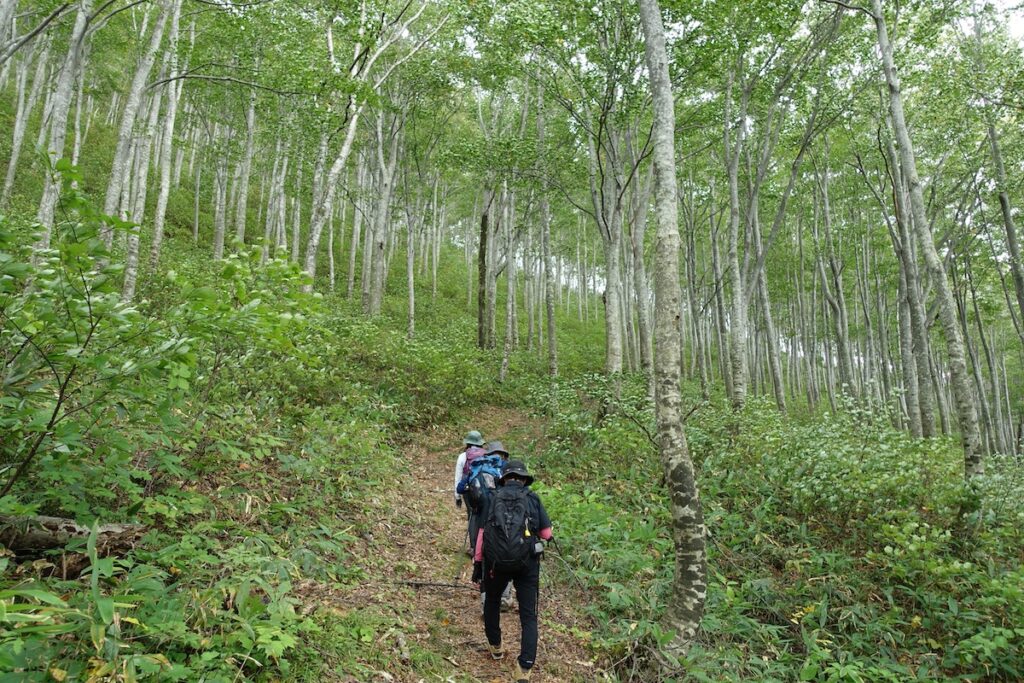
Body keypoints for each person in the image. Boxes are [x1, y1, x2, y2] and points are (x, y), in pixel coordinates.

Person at [471, 460, 552, 682]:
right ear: (524, 479)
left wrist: (478, 563)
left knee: (492, 601)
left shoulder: (492, 497)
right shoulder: (532, 498)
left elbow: (482, 534)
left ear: (504, 479)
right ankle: (524, 667)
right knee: (528, 615)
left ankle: (495, 646)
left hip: (496, 563)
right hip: (527, 564)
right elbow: (546, 533)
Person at [454, 430, 486, 552]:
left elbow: (458, 477)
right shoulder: (486, 455)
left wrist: (457, 496)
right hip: (484, 489)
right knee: (483, 515)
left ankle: (473, 547)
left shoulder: (463, 456)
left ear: (467, 443)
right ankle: (483, 546)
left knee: (472, 515)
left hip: (468, 490)